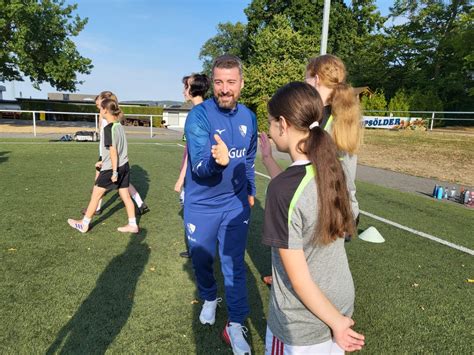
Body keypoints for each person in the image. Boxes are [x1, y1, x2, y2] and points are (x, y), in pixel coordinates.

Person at [262, 81, 365, 354]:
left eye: (271, 123)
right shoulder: (332, 170)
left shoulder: (282, 190)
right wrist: (268, 160)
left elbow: (300, 280)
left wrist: (338, 324)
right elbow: (297, 199)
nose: (270, 132)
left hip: (303, 321)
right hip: (339, 300)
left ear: (283, 124)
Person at [184, 55, 257, 355]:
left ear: (241, 83)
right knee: (201, 259)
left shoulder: (249, 117)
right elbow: (200, 168)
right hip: (201, 205)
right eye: (218, 82)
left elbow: (249, 159)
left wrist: (250, 190)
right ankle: (210, 296)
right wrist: (218, 162)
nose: (224, 89)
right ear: (212, 83)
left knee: (234, 265)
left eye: (230, 82)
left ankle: (235, 324)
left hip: (235, 205)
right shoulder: (199, 116)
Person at [68, 99, 139, 234]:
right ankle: (133, 224)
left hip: (112, 169)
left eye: (100, 108)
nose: (99, 111)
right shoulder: (119, 126)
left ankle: (84, 224)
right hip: (124, 166)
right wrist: (103, 161)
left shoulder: (109, 128)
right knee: (125, 196)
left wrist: (113, 172)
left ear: (105, 110)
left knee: (95, 195)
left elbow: (113, 151)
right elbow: (118, 150)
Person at [82, 91, 150, 216]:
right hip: (109, 154)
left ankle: (96, 208)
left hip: (108, 154)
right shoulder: (111, 116)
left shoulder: (107, 118)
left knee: (99, 182)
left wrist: (105, 159)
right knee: (124, 183)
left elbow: (109, 140)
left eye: (99, 105)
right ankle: (140, 203)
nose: (98, 108)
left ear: (104, 104)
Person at [174, 74, 210, 258]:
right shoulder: (208, 111)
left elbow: (193, 151)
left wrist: (181, 177)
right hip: (199, 171)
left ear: (192, 89)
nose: (183, 91)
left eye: (185, 87)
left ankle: (198, 248)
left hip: (195, 172)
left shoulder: (197, 114)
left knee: (193, 209)